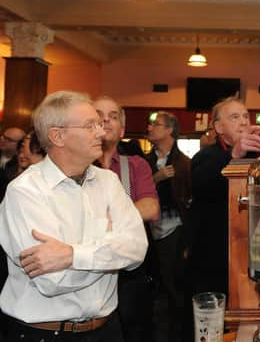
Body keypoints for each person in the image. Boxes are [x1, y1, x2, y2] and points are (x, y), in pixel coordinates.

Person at [0, 91, 148, 342]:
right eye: (91, 125)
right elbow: (52, 281)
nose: (101, 132)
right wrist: (110, 249)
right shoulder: (25, 191)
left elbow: (137, 251)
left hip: (107, 329)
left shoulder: (108, 181)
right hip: (44, 333)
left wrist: (71, 254)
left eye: (100, 125)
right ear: (58, 136)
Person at [186, 97, 260, 341]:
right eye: (234, 117)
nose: (243, 121)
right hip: (214, 255)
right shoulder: (206, 156)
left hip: (255, 249)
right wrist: (235, 154)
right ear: (218, 128)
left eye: (246, 116)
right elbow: (203, 185)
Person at [94, 96, 160, 342]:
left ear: (121, 130)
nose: (105, 120)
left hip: (127, 272)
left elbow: (151, 208)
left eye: (113, 116)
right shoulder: (74, 167)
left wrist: (100, 220)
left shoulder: (134, 165)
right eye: (99, 114)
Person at [145, 111, 191, 342]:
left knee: (174, 285)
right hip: (147, 231)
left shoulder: (184, 163)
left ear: (169, 130)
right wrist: (157, 178)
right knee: (154, 286)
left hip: (175, 230)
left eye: (156, 124)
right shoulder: (144, 162)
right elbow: (135, 192)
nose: (150, 128)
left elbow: (190, 202)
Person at [0, 126, 25, 200]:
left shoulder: (21, 164)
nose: (3, 140)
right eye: (3, 137)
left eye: (9, 139)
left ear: (20, 144)